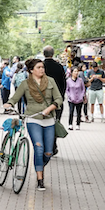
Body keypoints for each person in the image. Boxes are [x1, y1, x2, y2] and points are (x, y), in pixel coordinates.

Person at [4, 58, 63, 191]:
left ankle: (39, 165)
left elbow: (59, 98)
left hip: (48, 119)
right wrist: (9, 104)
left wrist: (49, 109)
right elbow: (15, 98)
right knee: (39, 147)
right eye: (38, 67)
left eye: (42, 67)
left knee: (48, 152)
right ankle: (40, 179)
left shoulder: (50, 81)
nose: (42, 69)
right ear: (31, 70)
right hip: (32, 118)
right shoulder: (25, 84)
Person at [43, 46, 67, 154]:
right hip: (56, 101)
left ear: (44, 54)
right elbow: (63, 84)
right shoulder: (59, 67)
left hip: (42, 101)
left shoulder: (39, 66)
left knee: (42, 123)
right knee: (55, 122)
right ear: (52, 54)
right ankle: (52, 146)